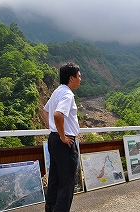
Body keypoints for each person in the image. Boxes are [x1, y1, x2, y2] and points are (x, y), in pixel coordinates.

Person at [43, 62, 82, 212]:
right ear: (71, 78)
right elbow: (57, 114)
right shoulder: (67, 94)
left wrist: (52, 128)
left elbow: (45, 111)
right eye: (79, 76)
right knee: (67, 183)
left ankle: (50, 208)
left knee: (55, 179)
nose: (80, 79)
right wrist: (63, 136)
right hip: (64, 142)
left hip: (53, 139)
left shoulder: (57, 91)